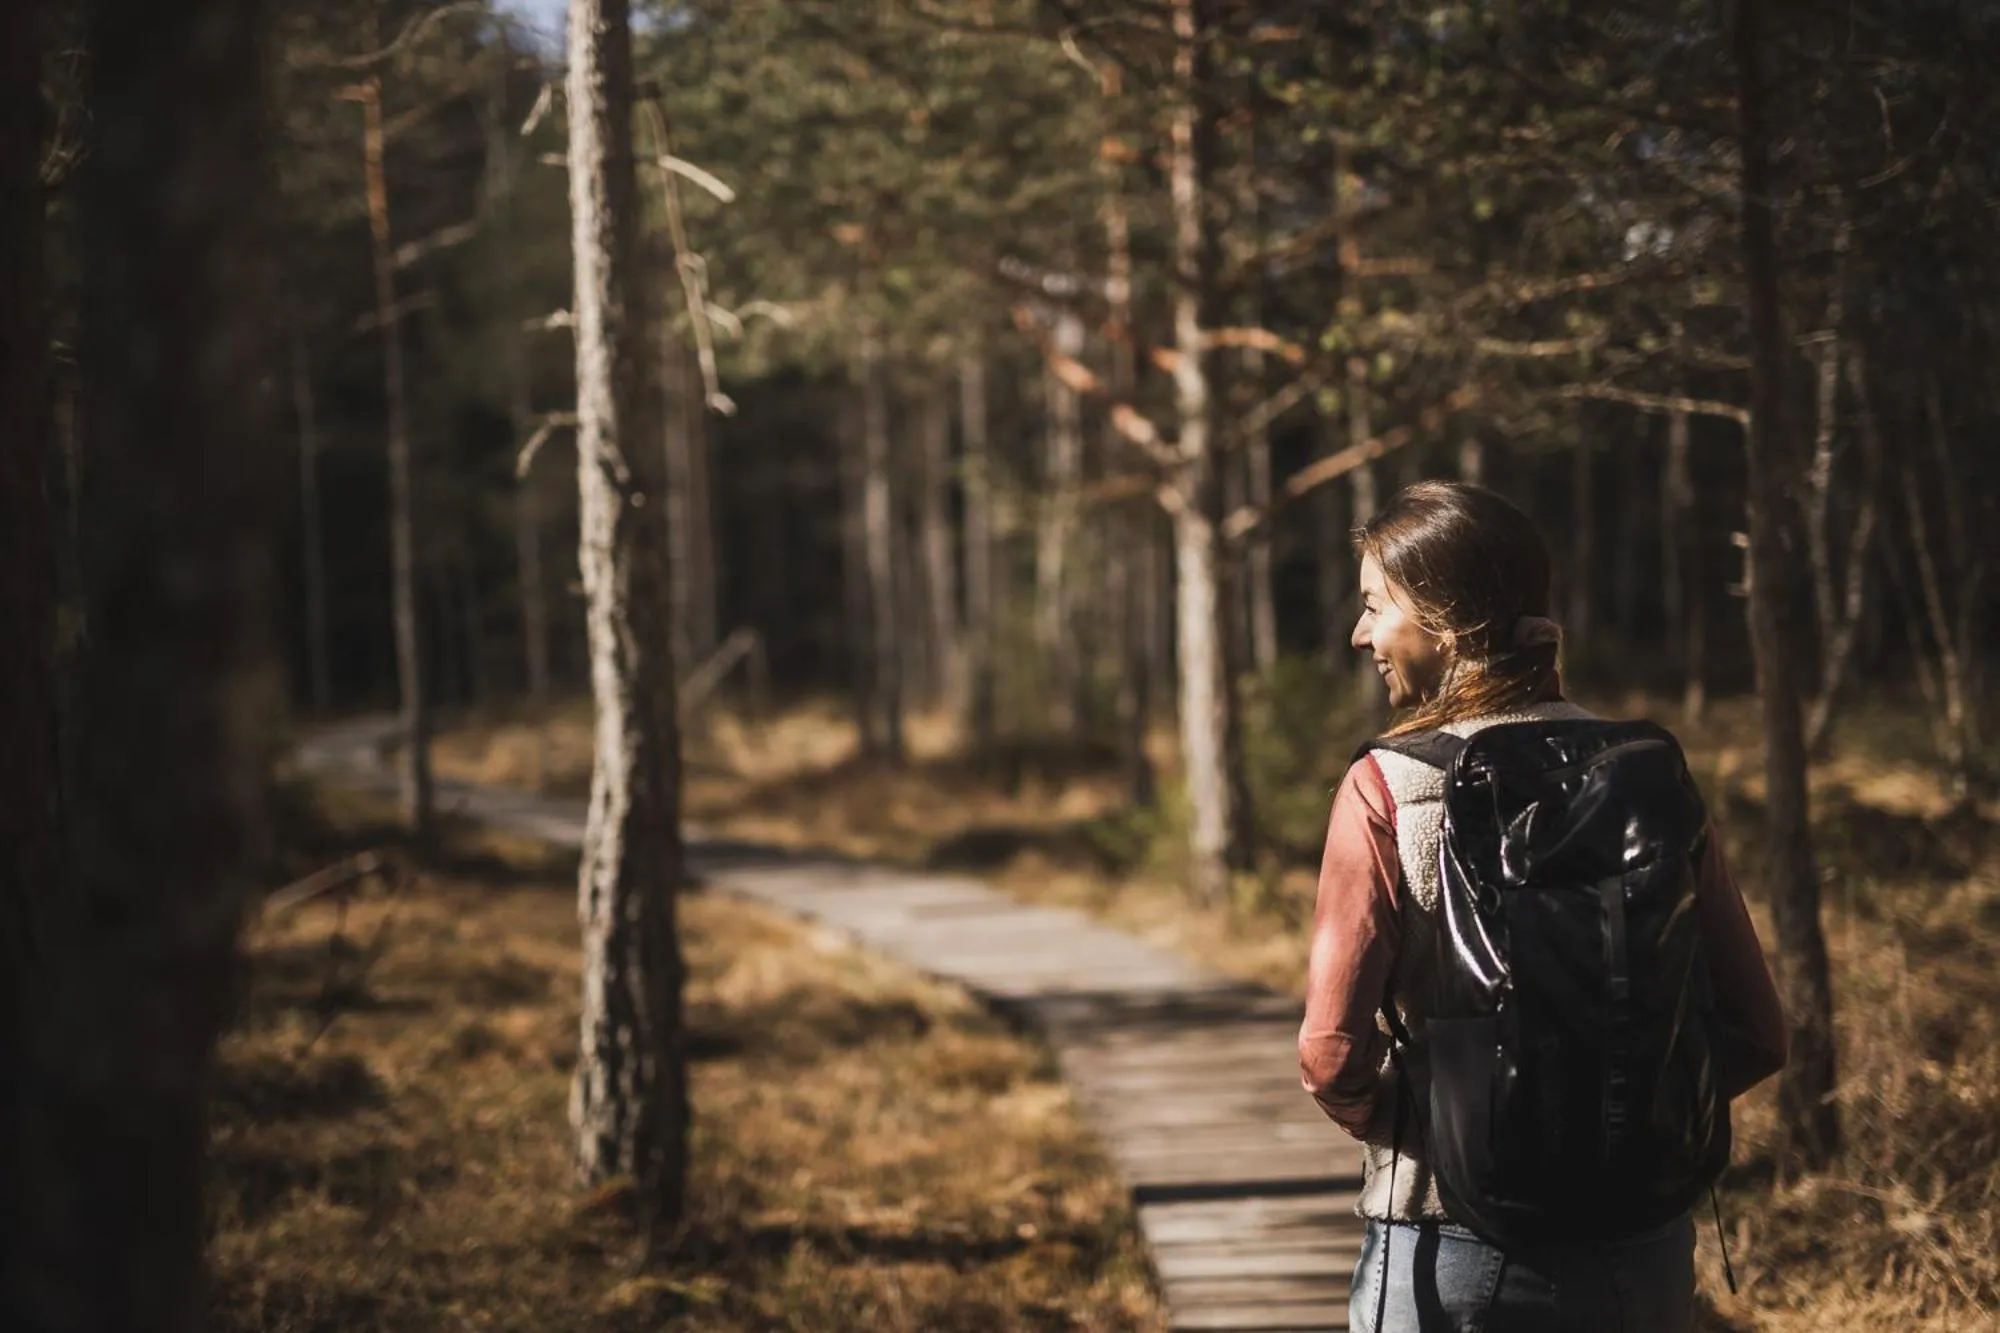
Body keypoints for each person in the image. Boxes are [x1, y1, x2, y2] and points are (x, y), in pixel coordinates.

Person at [1298, 481, 1789, 1332]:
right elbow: (1758, 1031)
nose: (1360, 634)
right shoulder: (1644, 773)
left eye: (1376, 607)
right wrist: (1628, 1123)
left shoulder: (1386, 785)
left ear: (1446, 625)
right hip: (1641, 1250)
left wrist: (1436, 1128)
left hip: (1450, 1245)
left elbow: (1331, 1054)